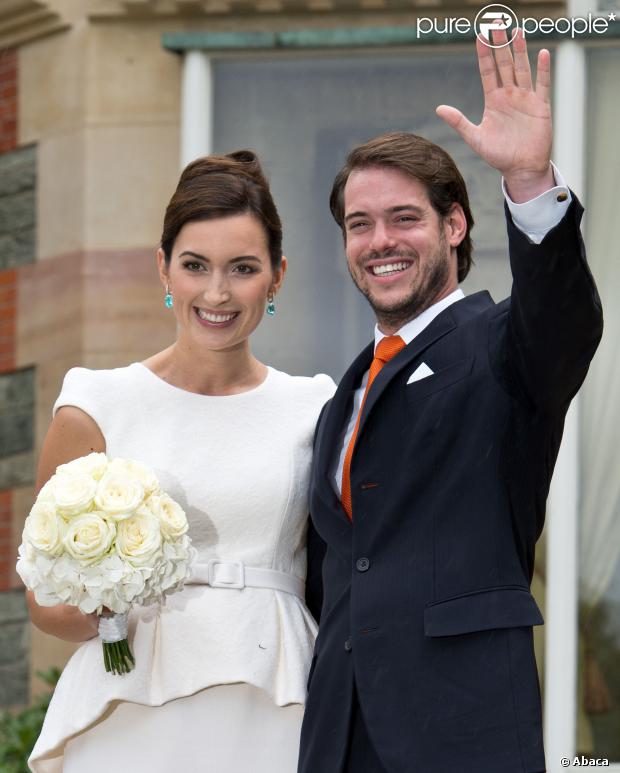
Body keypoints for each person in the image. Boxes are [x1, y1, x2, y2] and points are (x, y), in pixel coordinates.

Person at [299, 29, 603, 773]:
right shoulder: (344, 392)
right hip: (339, 735)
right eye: (359, 224)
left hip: (462, 731)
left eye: (404, 218)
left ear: (455, 225)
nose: (380, 241)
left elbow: (563, 321)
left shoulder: (501, 346)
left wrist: (531, 185)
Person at [26, 150, 335, 772]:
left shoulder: (316, 406)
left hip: (275, 701)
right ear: (163, 268)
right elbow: (42, 600)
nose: (216, 292)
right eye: (195, 266)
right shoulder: (95, 401)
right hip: (130, 707)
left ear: (277, 276)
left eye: (242, 269)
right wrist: (100, 607)